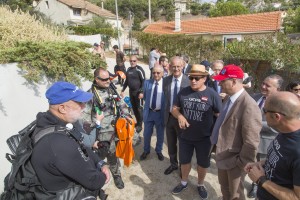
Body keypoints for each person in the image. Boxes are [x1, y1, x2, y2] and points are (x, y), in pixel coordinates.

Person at [31, 81, 110, 198]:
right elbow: (93, 181)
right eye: (79, 103)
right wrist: (103, 175)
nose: (84, 107)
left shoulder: (53, 123)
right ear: (62, 108)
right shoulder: (59, 144)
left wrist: (100, 162)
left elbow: (82, 145)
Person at [211, 64, 262, 200]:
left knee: (236, 195)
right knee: (225, 189)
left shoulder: (249, 106)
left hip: (235, 161)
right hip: (223, 155)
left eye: (222, 80)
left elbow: (251, 141)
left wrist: (241, 164)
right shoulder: (228, 97)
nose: (219, 83)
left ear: (234, 81)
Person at [171, 64, 222, 199]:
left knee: (202, 164)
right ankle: (184, 182)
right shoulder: (183, 91)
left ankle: (200, 184)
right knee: (185, 161)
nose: (193, 80)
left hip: (205, 138)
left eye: (197, 78)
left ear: (204, 78)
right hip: (185, 137)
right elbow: (174, 108)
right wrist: (180, 115)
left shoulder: (212, 94)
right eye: (191, 77)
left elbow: (219, 114)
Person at [245, 91, 300, 200]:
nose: (263, 114)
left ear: (276, 116)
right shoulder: (285, 130)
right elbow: (282, 160)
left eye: (264, 111)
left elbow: (296, 197)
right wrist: (259, 163)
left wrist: (261, 180)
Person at [83, 67, 132, 189]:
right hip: (101, 134)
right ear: (96, 79)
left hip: (117, 129)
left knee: (114, 154)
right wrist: (92, 138)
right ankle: (99, 177)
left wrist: (126, 115)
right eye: (104, 80)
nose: (108, 81)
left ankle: (116, 175)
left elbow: (122, 104)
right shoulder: (90, 95)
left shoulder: (112, 89)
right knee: (103, 155)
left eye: (109, 79)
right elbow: (85, 120)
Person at [248, 74, 283, 198]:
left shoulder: (280, 104)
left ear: (277, 89)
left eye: (267, 85)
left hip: (265, 143)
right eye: (263, 83)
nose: (263, 86)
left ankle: (257, 186)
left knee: (262, 167)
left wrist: (252, 123)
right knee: (250, 163)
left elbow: (275, 126)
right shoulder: (254, 97)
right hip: (248, 140)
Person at [163, 56, 190, 175]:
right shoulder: (166, 80)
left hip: (182, 119)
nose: (176, 68)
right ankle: (173, 164)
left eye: (178, 66)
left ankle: (182, 168)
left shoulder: (189, 82)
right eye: (173, 66)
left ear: (183, 66)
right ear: (170, 66)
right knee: (171, 143)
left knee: (183, 146)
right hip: (169, 118)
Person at [140, 65, 165, 161]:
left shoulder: (166, 84)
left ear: (162, 73)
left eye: (158, 73)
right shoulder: (147, 82)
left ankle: (159, 151)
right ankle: (146, 150)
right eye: (154, 72)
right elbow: (145, 97)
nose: (156, 74)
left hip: (160, 113)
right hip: (149, 112)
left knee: (160, 134)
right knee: (146, 133)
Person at [121, 55, 145, 133]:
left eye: (134, 61)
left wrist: (141, 91)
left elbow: (144, 82)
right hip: (131, 92)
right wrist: (123, 90)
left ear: (137, 60)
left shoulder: (139, 69)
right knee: (134, 109)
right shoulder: (128, 69)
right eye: (131, 61)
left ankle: (140, 125)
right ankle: (138, 122)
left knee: (139, 109)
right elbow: (126, 81)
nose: (132, 62)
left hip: (138, 93)